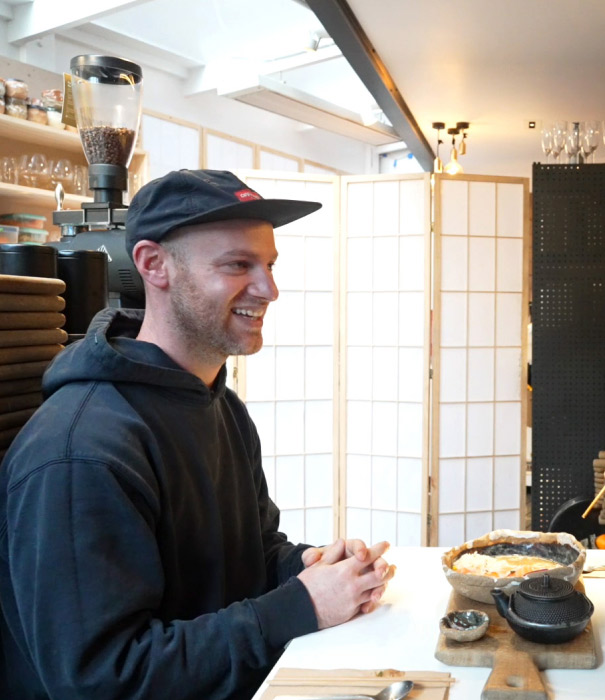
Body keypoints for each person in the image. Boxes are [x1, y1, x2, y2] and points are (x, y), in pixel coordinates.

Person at [0, 169, 395, 699]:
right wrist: (299, 606)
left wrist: (307, 567)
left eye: (270, 265)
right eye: (238, 265)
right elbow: (100, 679)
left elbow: (253, 554)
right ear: (153, 265)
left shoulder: (220, 405)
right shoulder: (81, 451)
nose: (269, 290)